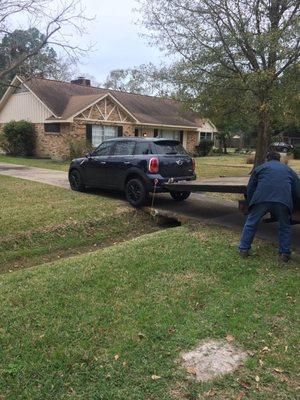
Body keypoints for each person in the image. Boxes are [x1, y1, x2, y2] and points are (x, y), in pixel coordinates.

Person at [239, 151, 300, 262]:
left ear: (267, 159)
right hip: (282, 201)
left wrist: (251, 203)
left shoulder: (260, 168)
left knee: (251, 224)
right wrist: (295, 205)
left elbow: (250, 188)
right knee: (284, 227)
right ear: (279, 159)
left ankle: (243, 249)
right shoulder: (289, 170)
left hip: (261, 200)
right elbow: (297, 190)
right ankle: (285, 254)